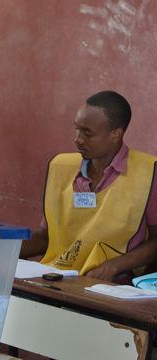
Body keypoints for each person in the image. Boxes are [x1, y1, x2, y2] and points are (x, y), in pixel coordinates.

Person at [20, 91, 157, 284]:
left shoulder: (147, 172)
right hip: (56, 277)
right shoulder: (61, 167)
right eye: (76, 129)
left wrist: (114, 266)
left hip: (110, 287)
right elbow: (46, 238)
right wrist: (5, 249)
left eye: (87, 133)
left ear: (116, 133)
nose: (78, 139)